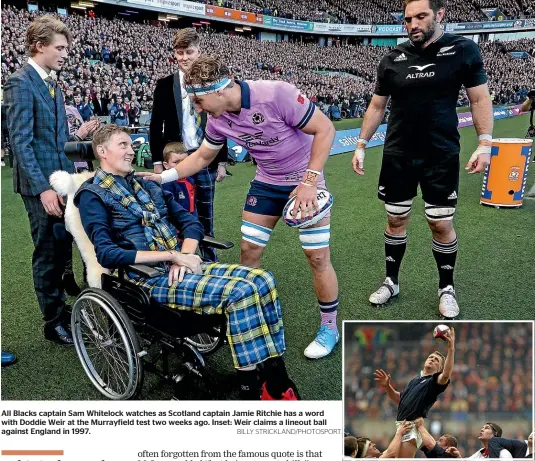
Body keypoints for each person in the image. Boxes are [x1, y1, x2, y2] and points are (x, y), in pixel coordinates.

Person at [76, 124, 297, 401]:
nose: (132, 151)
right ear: (102, 151)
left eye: (132, 145)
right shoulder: (92, 195)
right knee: (241, 293)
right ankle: (249, 390)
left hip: (181, 265)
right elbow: (107, 254)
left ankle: (274, 375)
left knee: (263, 279)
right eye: (123, 145)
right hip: (146, 279)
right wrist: (172, 255)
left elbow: (191, 221)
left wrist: (185, 256)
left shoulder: (147, 183)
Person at [144, 55, 341, 360]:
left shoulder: (277, 93)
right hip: (265, 184)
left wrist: (310, 181)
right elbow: (201, 158)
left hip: (305, 181)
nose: (197, 109)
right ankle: (251, 315)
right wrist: (164, 176)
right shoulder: (216, 117)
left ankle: (329, 327)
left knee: (317, 259)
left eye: (198, 101)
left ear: (219, 90)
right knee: (249, 252)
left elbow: (326, 129)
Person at [352, 0, 494, 319]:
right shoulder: (392, 58)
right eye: (407, 19)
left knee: (440, 222)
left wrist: (485, 142)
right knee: (396, 219)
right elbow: (377, 106)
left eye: (420, 16)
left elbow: (479, 98)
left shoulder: (463, 50)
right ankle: (391, 281)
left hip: (440, 153)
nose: (413, 24)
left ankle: (446, 287)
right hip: (398, 153)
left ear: (439, 15)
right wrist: (361, 143)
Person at [3, 16, 97, 346]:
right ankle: (53, 321)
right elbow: (20, 142)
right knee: (47, 252)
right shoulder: (19, 82)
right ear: (39, 45)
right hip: (39, 187)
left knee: (61, 248)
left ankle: (60, 305)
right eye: (60, 48)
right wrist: (43, 187)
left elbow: (55, 140)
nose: (65, 54)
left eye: (67, 48)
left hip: (61, 181)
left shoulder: (53, 82)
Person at [150, 28, 229, 262]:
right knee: (176, 211)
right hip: (176, 158)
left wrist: (222, 161)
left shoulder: (210, 83)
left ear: (198, 51)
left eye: (189, 52)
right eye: (179, 52)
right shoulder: (165, 85)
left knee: (206, 213)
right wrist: (157, 162)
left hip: (205, 155)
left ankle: (209, 258)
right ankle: (180, 257)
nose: (184, 57)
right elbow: (155, 126)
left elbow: (220, 122)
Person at [373, 327, 455, 458]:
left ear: (440, 368)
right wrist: (387, 386)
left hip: (411, 427)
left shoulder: (433, 383)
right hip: (402, 425)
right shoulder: (415, 380)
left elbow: (445, 375)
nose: (432, 359)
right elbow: (400, 400)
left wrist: (451, 349)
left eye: (436, 360)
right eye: (431, 357)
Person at [162, 142, 197, 216]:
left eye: (185, 161)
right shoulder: (167, 183)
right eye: (176, 162)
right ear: (166, 165)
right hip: (177, 221)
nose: (181, 165)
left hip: (191, 218)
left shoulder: (190, 179)